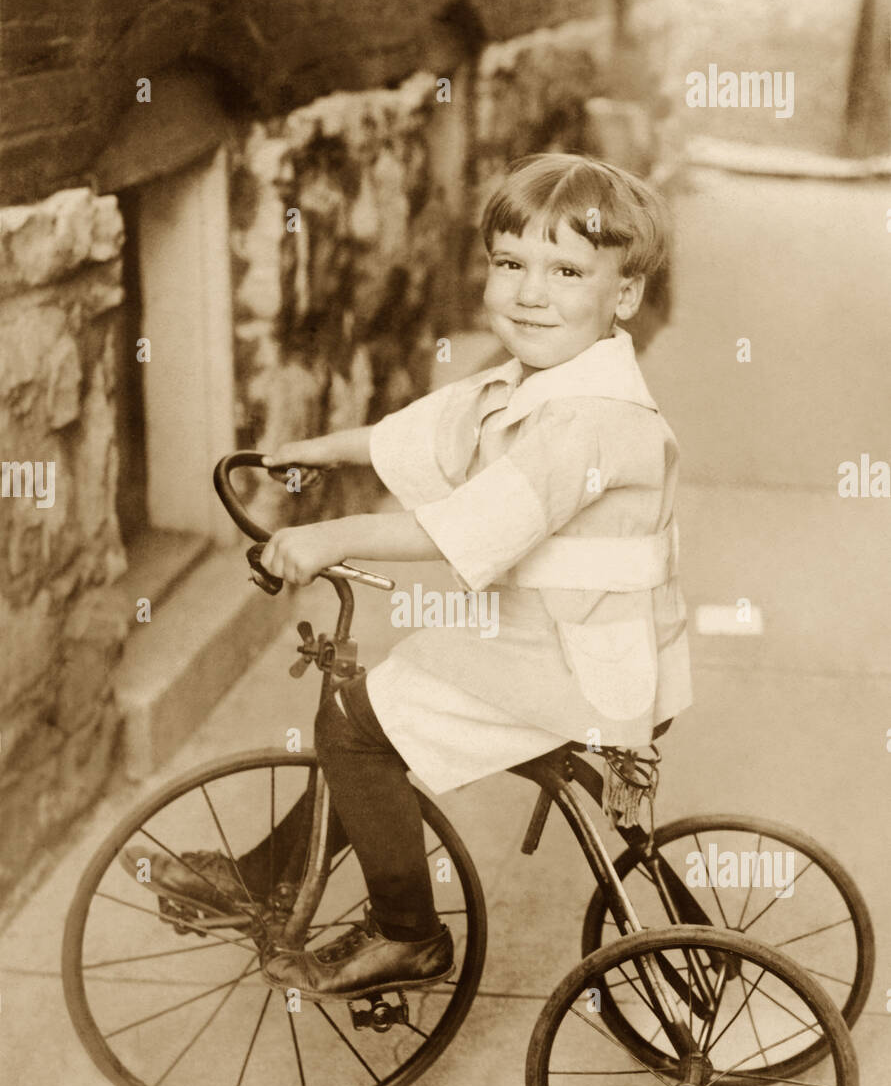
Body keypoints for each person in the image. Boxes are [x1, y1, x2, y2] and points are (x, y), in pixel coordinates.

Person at [120, 153, 692, 1000]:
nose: (529, 294)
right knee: (362, 725)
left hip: (577, 664)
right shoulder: (534, 378)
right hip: (551, 638)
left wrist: (325, 536)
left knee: (357, 727)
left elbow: (469, 527)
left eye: (566, 270)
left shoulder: (594, 421)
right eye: (510, 264)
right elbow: (432, 428)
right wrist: (316, 450)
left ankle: (408, 934)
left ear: (624, 297)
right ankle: (271, 880)